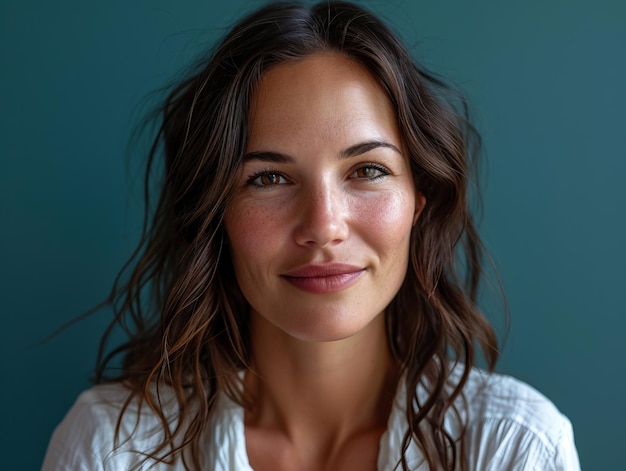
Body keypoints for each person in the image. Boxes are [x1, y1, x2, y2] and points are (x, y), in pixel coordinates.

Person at [42, 1, 580, 470]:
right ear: (215, 213)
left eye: (367, 170)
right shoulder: (113, 450)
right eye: (269, 178)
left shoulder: (514, 448)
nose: (324, 225)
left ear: (420, 198)